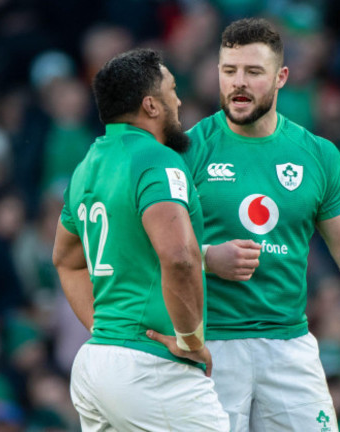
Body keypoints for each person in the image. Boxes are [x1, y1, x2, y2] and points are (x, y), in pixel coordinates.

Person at [148, 18, 340, 431]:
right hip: (210, 342)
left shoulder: (318, 155)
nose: (239, 83)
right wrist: (211, 259)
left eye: (253, 72)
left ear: (281, 77)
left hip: (288, 345)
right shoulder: (185, 151)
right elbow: (149, 246)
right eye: (229, 70)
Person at [52, 48, 229, 432]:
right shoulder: (156, 160)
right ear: (151, 105)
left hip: (98, 363)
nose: (179, 100)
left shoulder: (86, 168)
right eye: (172, 90)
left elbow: (65, 260)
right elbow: (179, 257)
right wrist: (191, 339)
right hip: (150, 370)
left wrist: (108, 329)